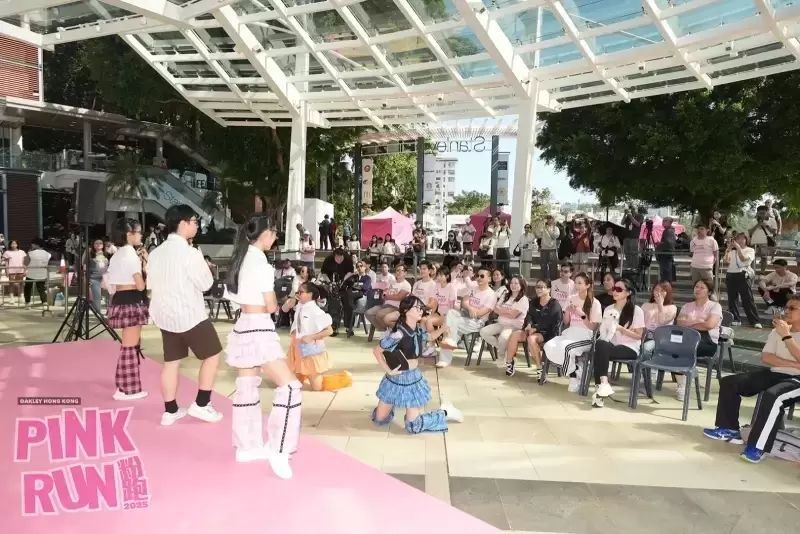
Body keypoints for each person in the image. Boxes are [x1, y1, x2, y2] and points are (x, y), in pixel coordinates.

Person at [222, 214, 300, 478]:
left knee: (246, 387)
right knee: (290, 387)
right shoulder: (261, 264)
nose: (275, 238)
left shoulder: (240, 258)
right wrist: (278, 300)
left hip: (243, 323)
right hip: (258, 327)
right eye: (274, 233)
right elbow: (270, 305)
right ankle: (280, 449)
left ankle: (247, 446)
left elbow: (234, 297)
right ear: (266, 234)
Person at [147, 205, 223, 427]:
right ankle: (201, 403)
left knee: (171, 363)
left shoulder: (155, 253)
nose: (197, 226)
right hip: (190, 314)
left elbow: (151, 284)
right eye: (195, 222)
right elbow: (206, 284)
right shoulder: (191, 253)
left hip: (165, 315)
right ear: (183, 223)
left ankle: (170, 410)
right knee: (213, 355)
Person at [703, 294, 800, 463]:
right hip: (776, 372)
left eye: (792, 308)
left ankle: (758, 446)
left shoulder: (783, 332)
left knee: (773, 396)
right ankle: (729, 428)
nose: (787, 311)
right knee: (730, 382)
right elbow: (767, 357)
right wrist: (795, 364)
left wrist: (787, 336)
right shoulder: (777, 331)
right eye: (786, 307)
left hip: (797, 379)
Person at [371, 296, 463, 433]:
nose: (421, 310)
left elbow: (429, 336)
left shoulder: (418, 330)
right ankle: (394, 403)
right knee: (379, 420)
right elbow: (377, 351)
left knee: (413, 427)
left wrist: (443, 328)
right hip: (394, 379)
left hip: (412, 379)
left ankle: (445, 412)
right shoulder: (398, 333)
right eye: (417, 308)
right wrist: (389, 370)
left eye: (421, 307)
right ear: (406, 311)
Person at [105, 218, 149, 402]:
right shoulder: (130, 255)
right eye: (139, 232)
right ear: (129, 234)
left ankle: (124, 387)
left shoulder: (117, 254)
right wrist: (146, 270)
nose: (141, 235)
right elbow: (140, 285)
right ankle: (128, 389)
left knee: (128, 346)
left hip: (120, 299)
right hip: (132, 300)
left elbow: (109, 283)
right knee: (130, 348)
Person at [285, 281, 353, 392]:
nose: (298, 294)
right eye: (297, 292)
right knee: (293, 382)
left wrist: (312, 337)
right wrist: (292, 300)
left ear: (310, 294)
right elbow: (284, 309)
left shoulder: (316, 311)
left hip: (308, 348)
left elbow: (329, 330)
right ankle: (303, 374)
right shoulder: (299, 305)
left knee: (317, 387)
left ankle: (344, 378)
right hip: (296, 345)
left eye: (301, 292)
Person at [590, 279, 645, 408]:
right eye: (614, 288)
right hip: (611, 344)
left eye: (619, 289)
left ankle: (600, 392)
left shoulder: (636, 310)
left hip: (629, 347)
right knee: (600, 344)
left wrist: (621, 329)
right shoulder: (609, 309)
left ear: (628, 293)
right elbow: (604, 330)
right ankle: (603, 385)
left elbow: (639, 336)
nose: (615, 291)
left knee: (601, 349)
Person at [543, 272, 602, 392]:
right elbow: (566, 322)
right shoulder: (571, 298)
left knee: (566, 349)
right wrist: (568, 312)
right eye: (575, 282)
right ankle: (575, 371)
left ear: (587, 285)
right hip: (570, 333)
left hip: (585, 336)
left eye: (580, 283)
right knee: (548, 346)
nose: (577, 285)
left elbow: (594, 328)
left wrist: (582, 315)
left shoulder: (595, 303)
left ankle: (573, 377)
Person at [438, 267, 498, 368]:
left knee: (451, 325)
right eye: (477, 276)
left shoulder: (491, 295)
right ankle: (451, 343)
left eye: (482, 276)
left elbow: (481, 313)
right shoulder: (473, 288)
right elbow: (464, 302)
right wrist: (470, 308)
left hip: (477, 322)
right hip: (465, 315)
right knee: (451, 313)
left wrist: (471, 310)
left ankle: (445, 358)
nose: (479, 278)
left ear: (489, 278)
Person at [505, 279, 562, 377]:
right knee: (515, 335)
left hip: (548, 332)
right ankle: (510, 362)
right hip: (533, 330)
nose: (538, 289)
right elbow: (529, 315)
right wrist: (529, 324)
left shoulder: (554, 304)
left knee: (531, 339)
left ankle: (540, 368)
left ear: (548, 289)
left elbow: (550, 321)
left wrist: (535, 328)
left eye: (541, 287)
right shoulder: (534, 301)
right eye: (537, 287)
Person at [676, 279, 723, 399]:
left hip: (707, 342)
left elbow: (710, 325)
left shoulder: (715, 306)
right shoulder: (687, 306)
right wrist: (698, 321)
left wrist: (689, 323)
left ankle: (686, 380)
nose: (698, 289)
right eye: (696, 286)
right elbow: (680, 323)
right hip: (687, 338)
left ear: (709, 292)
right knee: (674, 347)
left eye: (702, 288)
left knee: (682, 350)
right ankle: (681, 384)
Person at [480, 276, 529, 363]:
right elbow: (496, 309)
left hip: (513, 326)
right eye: (511, 283)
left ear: (521, 285)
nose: (513, 285)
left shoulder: (523, 299)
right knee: (483, 332)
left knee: (502, 338)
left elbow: (514, 315)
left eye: (516, 283)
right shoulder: (505, 295)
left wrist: (502, 311)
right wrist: (509, 312)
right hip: (501, 323)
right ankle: (505, 350)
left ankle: (501, 356)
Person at [724, 232, 762, 329]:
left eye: (742, 238)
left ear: (746, 240)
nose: (739, 240)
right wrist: (728, 249)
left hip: (742, 274)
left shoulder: (750, 250)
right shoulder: (732, 251)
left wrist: (738, 248)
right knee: (732, 298)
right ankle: (735, 319)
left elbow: (743, 259)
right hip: (731, 274)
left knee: (747, 298)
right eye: (737, 239)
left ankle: (755, 320)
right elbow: (726, 261)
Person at [364, 264, 412, 331]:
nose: (398, 272)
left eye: (400, 270)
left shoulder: (406, 285)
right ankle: (385, 329)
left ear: (405, 273)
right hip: (385, 305)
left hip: (396, 307)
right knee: (368, 313)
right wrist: (383, 296)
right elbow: (384, 293)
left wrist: (388, 297)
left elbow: (399, 297)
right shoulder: (391, 282)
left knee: (379, 314)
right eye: (397, 270)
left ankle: (389, 330)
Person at [343, 260, 372, 337]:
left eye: (361, 266)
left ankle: (349, 327)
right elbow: (346, 283)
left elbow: (365, 287)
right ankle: (349, 327)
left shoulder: (367, 278)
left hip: (361, 295)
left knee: (348, 297)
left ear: (365, 267)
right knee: (347, 298)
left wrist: (356, 285)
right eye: (357, 266)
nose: (359, 268)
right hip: (352, 295)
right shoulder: (354, 276)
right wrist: (353, 277)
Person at [24, 239, 51, 309]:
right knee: (41, 289)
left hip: (31, 273)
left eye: (33, 244)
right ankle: (44, 302)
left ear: (36, 244)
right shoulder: (48, 254)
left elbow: (25, 263)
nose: (31, 245)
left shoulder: (31, 253)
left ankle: (27, 303)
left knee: (28, 288)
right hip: (42, 274)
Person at [84, 238, 110, 305]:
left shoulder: (107, 254)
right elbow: (85, 266)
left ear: (103, 245)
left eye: (100, 243)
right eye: (96, 243)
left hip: (106, 278)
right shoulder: (89, 254)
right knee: (97, 297)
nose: (99, 244)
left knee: (109, 296)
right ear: (93, 245)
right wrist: (86, 277)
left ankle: (109, 310)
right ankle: (97, 311)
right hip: (94, 278)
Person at [3, 239, 26, 304]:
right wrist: (7, 271)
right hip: (11, 270)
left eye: (15, 244)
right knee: (11, 284)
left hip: (20, 270)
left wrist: (25, 270)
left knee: (21, 283)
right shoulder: (7, 252)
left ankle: (22, 297)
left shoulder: (22, 252)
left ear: (17, 244)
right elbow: (6, 263)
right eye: (12, 244)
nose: (13, 245)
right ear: (10, 245)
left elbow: (24, 262)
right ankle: (11, 298)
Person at [656, 217, 677, 283]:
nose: (663, 222)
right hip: (666, 253)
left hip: (666, 253)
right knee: (666, 271)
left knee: (666, 272)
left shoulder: (668, 231)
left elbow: (669, 243)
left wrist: (660, 243)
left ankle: (666, 285)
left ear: (670, 223)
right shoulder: (668, 230)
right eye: (663, 221)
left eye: (665, 221)